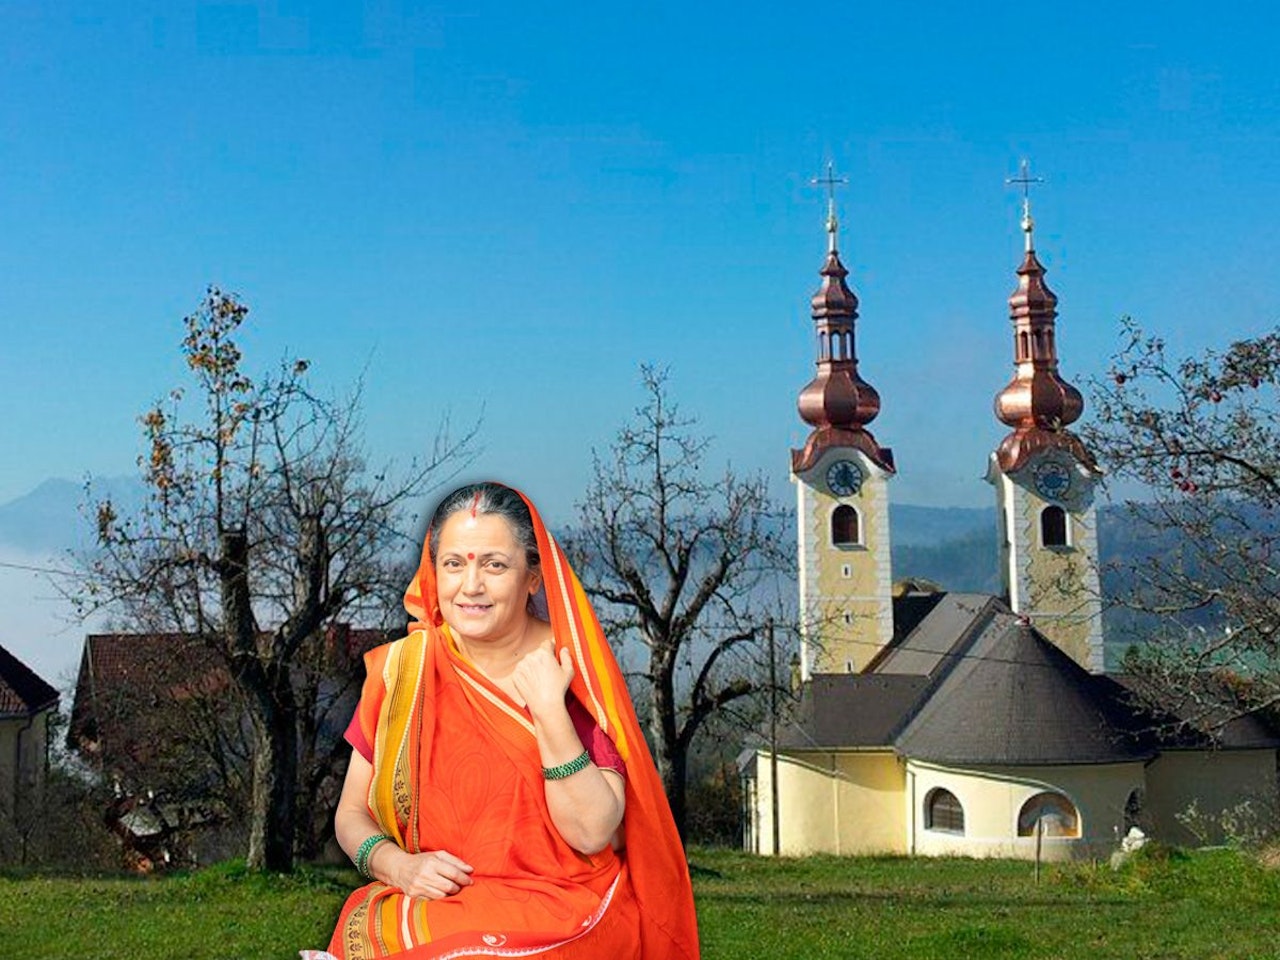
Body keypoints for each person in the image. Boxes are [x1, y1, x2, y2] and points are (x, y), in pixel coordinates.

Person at [314, 482, 699, 960]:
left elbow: (594, 832)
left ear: (533, 577)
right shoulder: (403, 672)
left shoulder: (570, 668)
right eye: (454, 564)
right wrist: (397, 867)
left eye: (494, 565)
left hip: (561, 906)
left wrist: (548, 711)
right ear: (434, 573)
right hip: (440, 898)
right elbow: (352, 813)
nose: (470, 585)